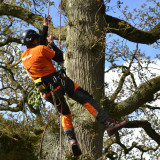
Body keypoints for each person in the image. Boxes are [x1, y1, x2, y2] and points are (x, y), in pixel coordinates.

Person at [20, 15, 127, 157]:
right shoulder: (41, 49)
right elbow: (60, 57)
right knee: (86, 99)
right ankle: (109, 123)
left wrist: (45, 27)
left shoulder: (24, 56)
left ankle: (71, 140)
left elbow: (39, 44)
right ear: (34, 40)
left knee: (65, 113)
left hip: (46, 93)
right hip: (60, 83)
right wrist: (51, 44)